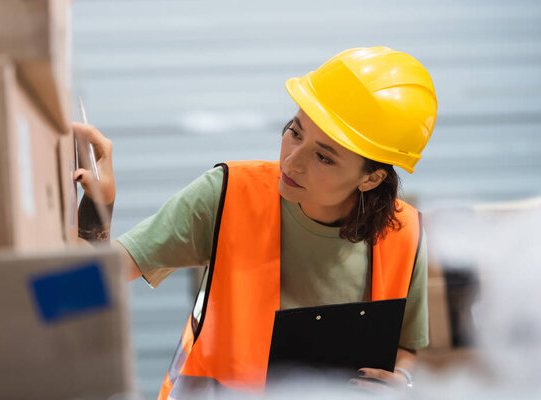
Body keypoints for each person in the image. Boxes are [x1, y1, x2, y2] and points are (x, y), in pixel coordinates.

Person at [74, 46, 437, 399]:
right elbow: (75, 289)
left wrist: (402, 381)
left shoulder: (404, 235)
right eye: (295, 132)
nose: (291, 162)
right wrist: (96, 207)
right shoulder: (227, 195)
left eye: (324, 158)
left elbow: (406, 345)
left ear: (371, 179)